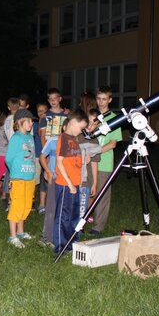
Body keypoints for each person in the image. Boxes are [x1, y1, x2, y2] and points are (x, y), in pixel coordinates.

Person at [53, 109, 89, 254]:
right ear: (73, 123)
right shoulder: (64, 138)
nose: (81, 131)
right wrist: (69, 183)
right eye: (81, 128)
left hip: (75, 184)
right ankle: (60, 246)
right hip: (65, 185)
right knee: (63, 216)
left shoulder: (74, 139)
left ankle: (72, 242)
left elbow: (74, 162)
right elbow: (59, 163)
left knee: (74, 215)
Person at [90, 86, 122, 235]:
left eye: (104, 99)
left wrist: (94, 152)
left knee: (101, 195)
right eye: (98, 99)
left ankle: (98, 226)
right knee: (87, 192)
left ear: (109, 100)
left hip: (104, 163)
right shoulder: (92, 116)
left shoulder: (114, 119)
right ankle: (83, 220)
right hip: (88, 163)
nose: (101, 102)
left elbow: (113, 143)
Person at [5, 109, 37, 248]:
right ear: (19, 122)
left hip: (29, 177)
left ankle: (20, 231)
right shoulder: (16, 138)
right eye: (29, 121)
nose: (31, 124)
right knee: (16, 205)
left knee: (26, 205)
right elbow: (9, 159)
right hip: (18, 178)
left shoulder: (30, 137)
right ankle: (12, 236)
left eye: (32, 121)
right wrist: (16, 171)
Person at [35, 102, 49, 214]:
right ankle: (39, 203)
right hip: (39, 155)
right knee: (38, 179)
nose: (42, 113)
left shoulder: (50, 121)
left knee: (47, 178)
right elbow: (40, 134)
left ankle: (47, 203)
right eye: (39, 111)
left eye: (44, 111)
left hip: (49, 155)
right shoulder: (38, 123)